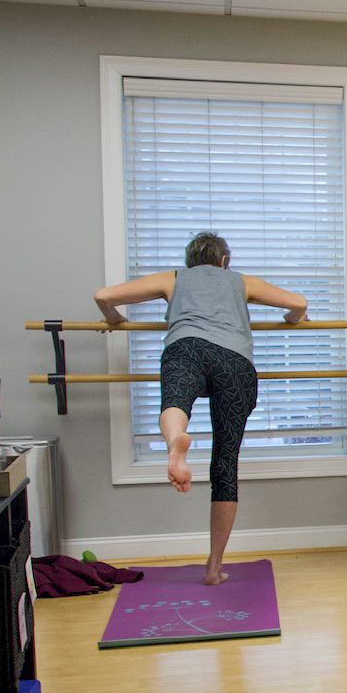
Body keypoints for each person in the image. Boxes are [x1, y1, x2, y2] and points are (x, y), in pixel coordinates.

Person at [93, 232, 308, 584]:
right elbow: (298, 303)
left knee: (175, 404)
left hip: (185, 348)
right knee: (225, 463)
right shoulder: (241, 282)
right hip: (234, 361)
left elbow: (103, 296)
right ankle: (213, 566)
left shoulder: (174, 278)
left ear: (190, 260)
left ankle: (176, 439)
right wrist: (292, 321)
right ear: (225, 261)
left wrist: (115, 320)